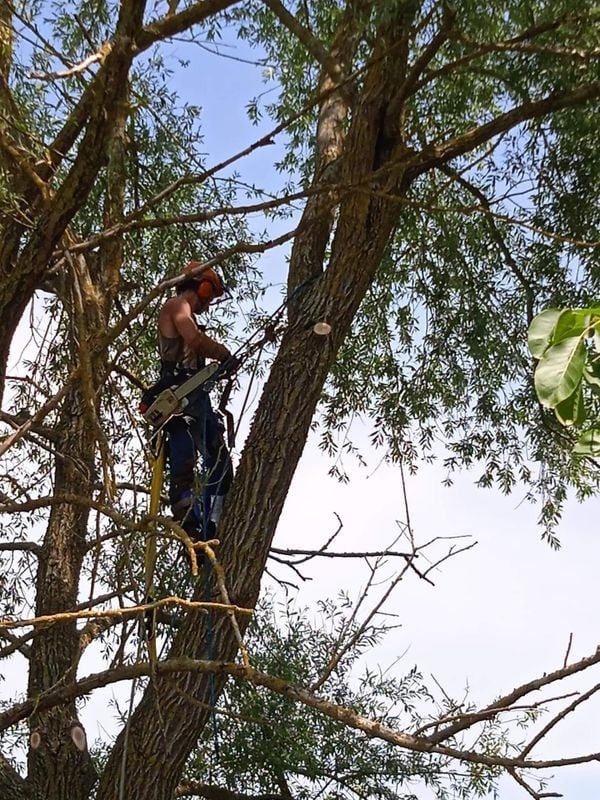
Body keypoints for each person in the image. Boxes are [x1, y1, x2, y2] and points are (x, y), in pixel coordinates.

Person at [157, 262, 234, 541]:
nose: (208, 304)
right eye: (209, 295)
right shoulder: (176, 305)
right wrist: (223, 354)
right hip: (179, 394)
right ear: (201, 287)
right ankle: (189, 518)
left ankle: (213, 521)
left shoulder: (186, 312)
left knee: (219, 461)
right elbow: (194, 339)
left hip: (196, 394)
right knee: (184, 455)